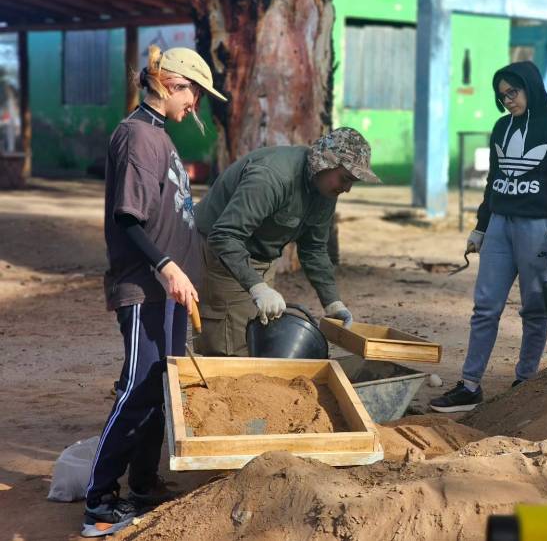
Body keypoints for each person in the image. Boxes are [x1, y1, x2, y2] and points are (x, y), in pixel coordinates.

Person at [82, 46, 227, 537]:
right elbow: (129, 216)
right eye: (195, 95)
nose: (196, 107)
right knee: (139, 390)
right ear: (171, 84)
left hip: (170, 291)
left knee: (160, 390)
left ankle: (143, 487)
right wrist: (166, 266)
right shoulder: (138, 136)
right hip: (146, 288)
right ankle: (99, 506)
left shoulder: (157, 134)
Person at [430, 61, 547, 413]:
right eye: (502, 97)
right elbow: (492, 183)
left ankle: (525, 382)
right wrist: (481, 226)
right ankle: (469, 385)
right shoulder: (501, 127)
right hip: (499, 225)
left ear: (530, 86)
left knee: (534, 308)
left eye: (512, 93)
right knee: (485, 307)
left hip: (539, 228)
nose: (508, 101)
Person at [193, 127, 379, 356]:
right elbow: (224, 236)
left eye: (354, 182)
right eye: (345, 179)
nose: (348, 189)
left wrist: (332, 302)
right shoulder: (272, 177)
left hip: (259, 255)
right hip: (219, 253)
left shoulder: (325, 189)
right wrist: (257, 287)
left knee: (259, 340)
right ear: (326, 162)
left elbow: (314, 248)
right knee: (229, 346)